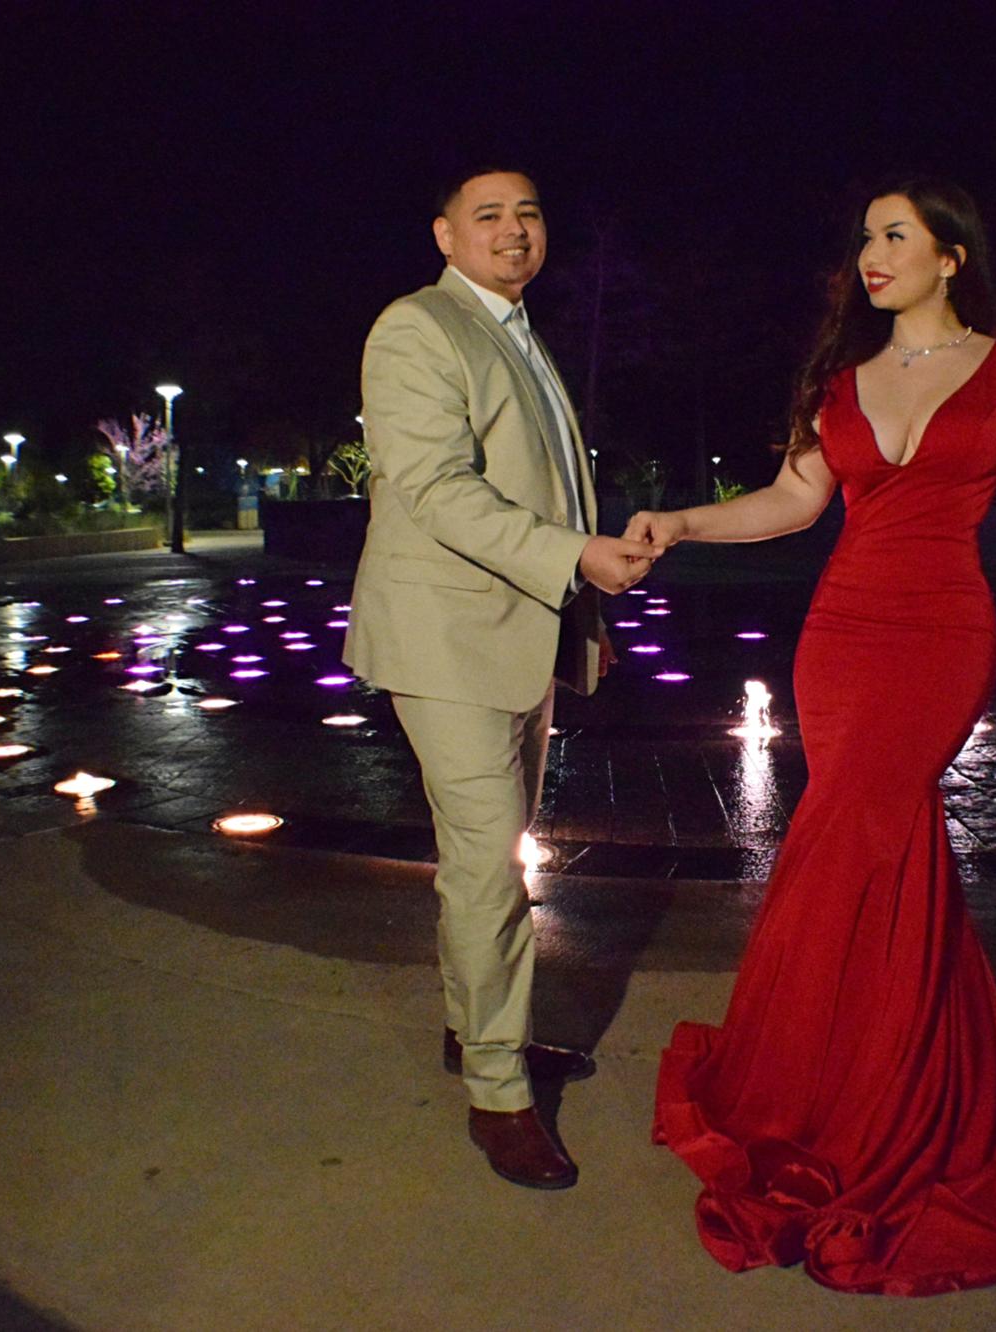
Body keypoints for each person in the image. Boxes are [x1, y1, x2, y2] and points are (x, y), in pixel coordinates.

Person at [634, 179, 996, 1292]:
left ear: (950, 256)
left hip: (942, 633)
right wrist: (682, 522)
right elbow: (793, 503)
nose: (870, 253)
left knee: (867, 828)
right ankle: (855, 1070)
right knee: (862, 843)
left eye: (894, 235)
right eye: (864, 238)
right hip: (840, 634)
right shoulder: (840, 380)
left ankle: (865, 1086)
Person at [346, 167, 659, 1190]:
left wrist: (586, 616)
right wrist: (576, 559)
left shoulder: (516, 330)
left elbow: (550, 488)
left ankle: (471, 1025)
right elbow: (436, 490)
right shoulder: (416, 327)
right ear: (444, 234)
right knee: (489, 866)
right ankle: (497, 1092)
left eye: (528, 213)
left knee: (489, 856)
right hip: (444, 640)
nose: (514, 230)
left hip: (518, 635)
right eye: (488, 215)